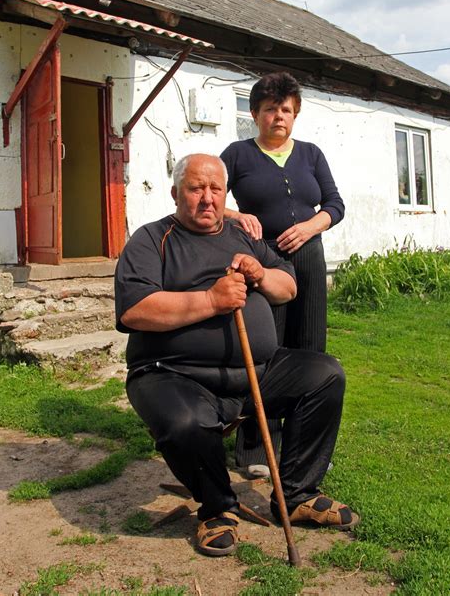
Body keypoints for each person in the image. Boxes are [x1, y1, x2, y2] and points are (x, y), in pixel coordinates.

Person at [115, 153, 358, 558]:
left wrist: (261, 274)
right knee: (184, 422)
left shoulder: (241, 236)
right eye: (196, 188)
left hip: (255, 370)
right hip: (174, 374)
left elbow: (288, 286)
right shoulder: (150, 239)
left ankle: (296, 496)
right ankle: (217, 507)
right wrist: (211, 301)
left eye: (215, 189)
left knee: (325, 374)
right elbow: (134, 310)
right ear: (176, 194)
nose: (207, 198)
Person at [220, 72, 345, 476]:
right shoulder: (237, 155)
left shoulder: (311, 154)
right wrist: (238, 215)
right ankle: (257, 449)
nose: (279, 116)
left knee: (310, 350)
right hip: (263, 260)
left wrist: (311, 226)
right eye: (271, 108)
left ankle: (304, 447)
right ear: (255, 114)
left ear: (296, 115)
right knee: (266, 351)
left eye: (287, 109)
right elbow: (208, 196)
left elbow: (335, 205)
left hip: (309, 258)